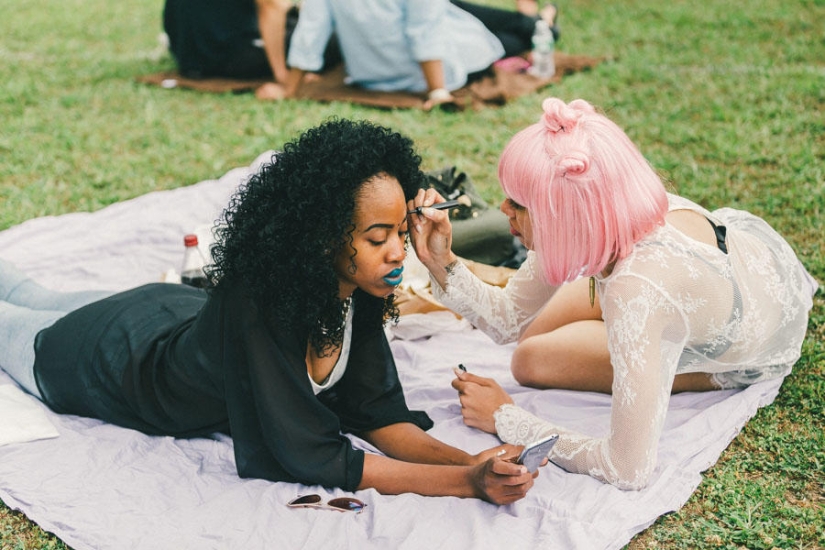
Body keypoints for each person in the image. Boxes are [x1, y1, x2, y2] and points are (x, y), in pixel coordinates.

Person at [0, 119, 537, 504]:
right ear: (323, 237)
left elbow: (379, 417)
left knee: (26, 287)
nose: (398, 252)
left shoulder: (360, 285)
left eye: (400, 232)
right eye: (378, 238)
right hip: (96, 359)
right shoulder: (264, 302)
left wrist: (471, 462)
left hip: (159, 312)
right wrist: (465, 484)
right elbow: (314, 456)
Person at [408, 97, 818, 490]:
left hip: (746, 341)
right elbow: (507, 320)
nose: (502, 209)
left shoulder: (635, 289)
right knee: (531, 334)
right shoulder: (605, 213)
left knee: (530, 360)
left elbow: (627, 467)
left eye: (519, 204)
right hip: (732, 275)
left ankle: (680, 364)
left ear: (564, 216)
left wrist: (505, 417)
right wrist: (439, 260)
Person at [263, 0, 558, 108]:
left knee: (459, 10)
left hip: (371, 75)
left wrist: (290, 90)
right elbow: (424, 31)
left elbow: (311, 31)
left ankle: (537, 20)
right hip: (436, 69)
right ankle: (542, 23)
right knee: (518, 33)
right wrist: (438, 91)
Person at [162, 0, 341, 87]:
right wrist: (282, 76)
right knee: (332, 38)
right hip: (222, 53)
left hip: (185, 49)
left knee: (296, 22)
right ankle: (283, 69)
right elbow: (272, 7)